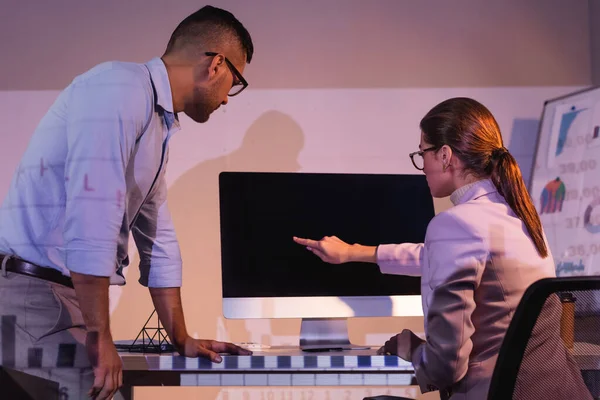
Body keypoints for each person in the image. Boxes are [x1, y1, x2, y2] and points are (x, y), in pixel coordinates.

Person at [0, 5, 253, 400]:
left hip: (62, 298)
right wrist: (101, 338)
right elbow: (91, 215)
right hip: (31, 294)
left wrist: (181, 338)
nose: (227, 99)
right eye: (236, 82)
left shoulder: (156, 122)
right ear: (217, 65)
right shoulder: (119, 87)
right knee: (103, 390)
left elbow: (159, 240)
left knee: (118, 387)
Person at [294, 97, 592, 399]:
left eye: (422, 153)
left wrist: (410, 348)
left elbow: (446, 367)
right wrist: (353, 253)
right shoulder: (519, 215)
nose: (422, 166)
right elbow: (438, 257)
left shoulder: (456, 224)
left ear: (446, 155)